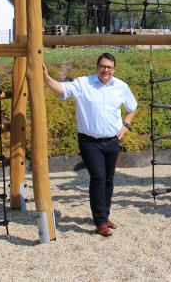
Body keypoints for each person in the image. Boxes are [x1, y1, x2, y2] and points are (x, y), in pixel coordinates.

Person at [42, 53, 137, 237]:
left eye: (109, 67)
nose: (106, 70)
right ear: (97, 67)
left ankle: (104, 215)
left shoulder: (121, 86)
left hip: (112, 141)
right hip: (89, 142)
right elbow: (60, 89)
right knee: (98, 177)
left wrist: (125, 126)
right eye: (103, 66)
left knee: (109, 178)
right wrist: (46, 77)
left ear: (114, 69)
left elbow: (132, 107)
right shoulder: (83, 84)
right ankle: (100, 221)